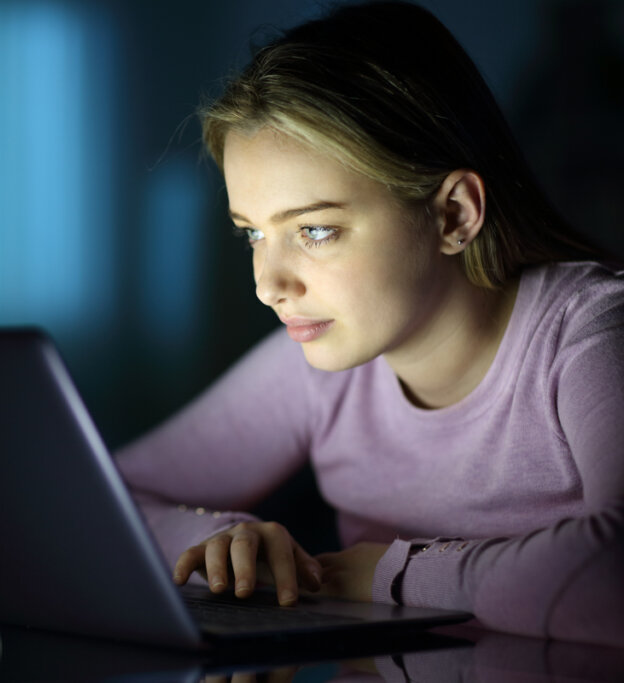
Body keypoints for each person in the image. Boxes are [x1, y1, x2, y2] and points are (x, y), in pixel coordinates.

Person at [114, 1, 624, 648]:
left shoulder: (591, 332)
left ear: (454, 215)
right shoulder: (321, 363)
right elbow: (98, 495)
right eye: (252, 234)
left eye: (316, 230)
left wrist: (390, 573)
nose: (268, 286)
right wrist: (214, 539)